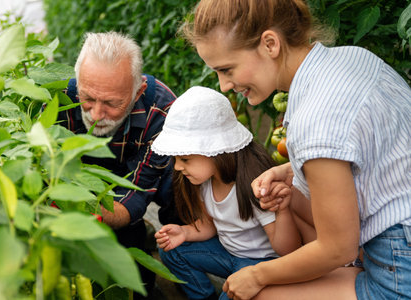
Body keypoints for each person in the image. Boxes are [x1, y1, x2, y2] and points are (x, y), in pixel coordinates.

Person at [179, 1, 411, 299]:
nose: (224, 85)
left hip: (399, 270)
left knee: (255, 295)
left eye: (227, 69)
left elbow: (338, 248)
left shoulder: (313, 122)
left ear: (270, 44)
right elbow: (372, 147)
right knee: (293, 192)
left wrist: (255, 274)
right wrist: (290, 169)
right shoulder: (353, 58)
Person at [57, 31, 180, 299]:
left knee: (180, 182)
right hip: (80, 180)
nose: (96, 114)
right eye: (87, 98)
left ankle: (180, 256)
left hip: (134, 179)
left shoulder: (160, 108)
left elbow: (139, 188)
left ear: (139, 92)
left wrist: (94, 218)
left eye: (112, 103)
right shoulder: (57, 99)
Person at [151, 86, 301, 300]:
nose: (176, 167)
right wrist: (185, 233)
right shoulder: (204, 182)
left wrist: (283, 212)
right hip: (228, 254)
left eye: (184, 159)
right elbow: (208, 226)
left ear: (214, 151)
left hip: (261, 264)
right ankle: (203, 296)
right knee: (171, 251)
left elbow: (287, 249)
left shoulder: (254, 184)